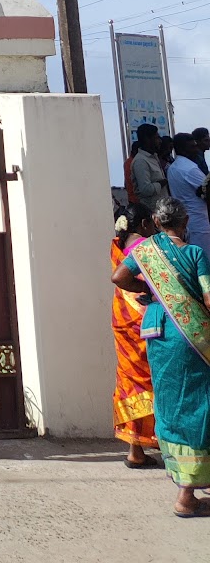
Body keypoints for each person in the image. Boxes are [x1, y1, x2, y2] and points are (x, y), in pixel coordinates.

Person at [113, 196, 210, 517]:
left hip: (157, 332)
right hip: (190, 335)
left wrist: (150, 287)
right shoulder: (194, 252)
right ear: (185, 223)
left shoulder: (143, 251)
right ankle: (187, 494)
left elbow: (119, 278)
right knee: (199, 402)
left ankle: (183, 478)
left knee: (170, 402)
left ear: (156, 222)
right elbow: (208, 297)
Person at [110, 204, 159, 467]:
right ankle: (164, 445)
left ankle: (135, 451)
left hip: (122, 321)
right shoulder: (146, 249)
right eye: (152, 224)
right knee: (155, 380)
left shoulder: (116, 248)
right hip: (142, 323)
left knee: (130, 383)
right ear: (143, 225)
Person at [167, 135, 210, 260]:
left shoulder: (173, 167)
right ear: (182, 149)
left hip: (186, 222)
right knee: (204, 262)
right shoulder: (189, 169)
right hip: (200, 223)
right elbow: (207, 188)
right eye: (192, 147)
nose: (196, 150)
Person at [131, 124, 168, 214]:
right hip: (152, 212)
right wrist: (162, 183)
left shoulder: (153, 157)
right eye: (157, 138)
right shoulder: (140, 161)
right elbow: (145, 189)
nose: (160, 141)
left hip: (162, 210)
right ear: (147, 139)